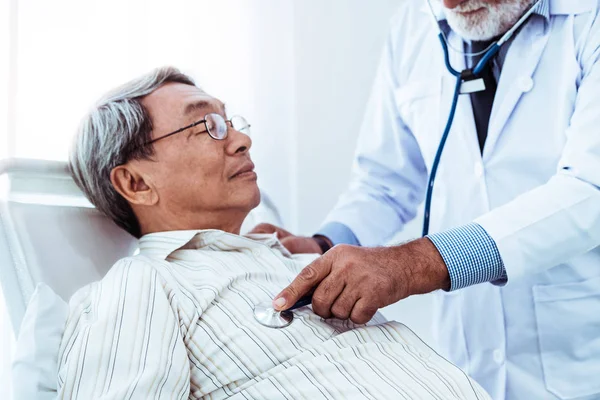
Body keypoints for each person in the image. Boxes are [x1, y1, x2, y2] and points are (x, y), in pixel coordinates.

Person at [57, 67, 490, 399]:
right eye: (207, 127)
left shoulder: (290, 261)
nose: (241, 140)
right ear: (136, 183)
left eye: (231, 122)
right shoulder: (145, 283)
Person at [254, 0, 600, 399]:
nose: (450, 4)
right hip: (465, 356)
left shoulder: (588, 20)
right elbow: (386, 179)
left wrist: (415, 264)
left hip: (579, 354)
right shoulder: (415, 26)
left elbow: (590, 191)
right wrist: (323, 244)